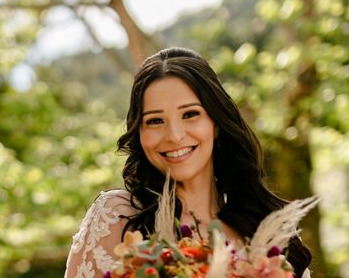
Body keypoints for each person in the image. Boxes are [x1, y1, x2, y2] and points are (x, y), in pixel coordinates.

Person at [64, 47, 312, 278]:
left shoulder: (273, 235)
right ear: (139, 133)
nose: (174, 135)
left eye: (190, 114)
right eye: (155, 121)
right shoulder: (116, 217)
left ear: (215, 123)